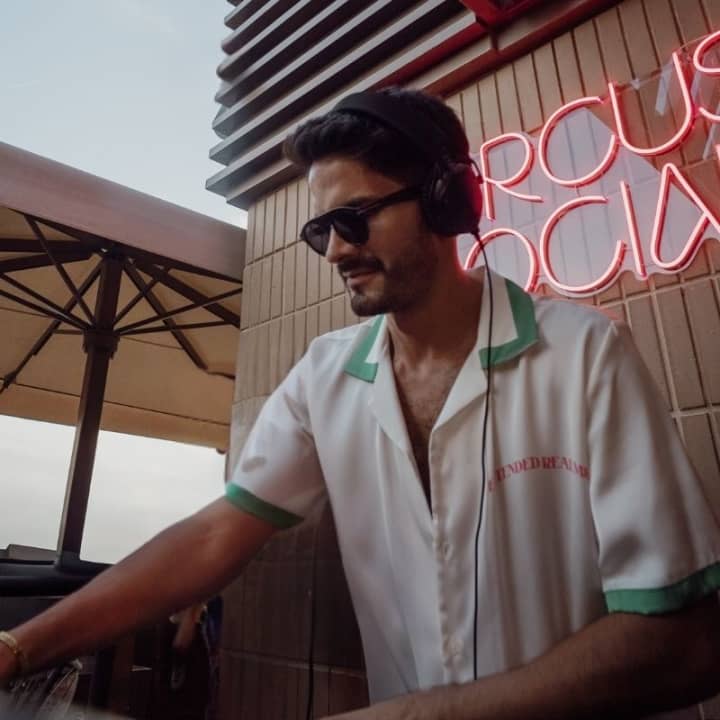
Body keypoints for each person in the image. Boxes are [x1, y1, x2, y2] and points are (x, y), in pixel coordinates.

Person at [1, 87, 720, 720]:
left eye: (355, 218)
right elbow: (217, 534)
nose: (335, 252)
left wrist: (420, 715)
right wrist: (17, 648)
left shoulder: (586, 355)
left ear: (445, 199)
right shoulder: (325, 376)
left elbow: (687, 641)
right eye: (322, 231)